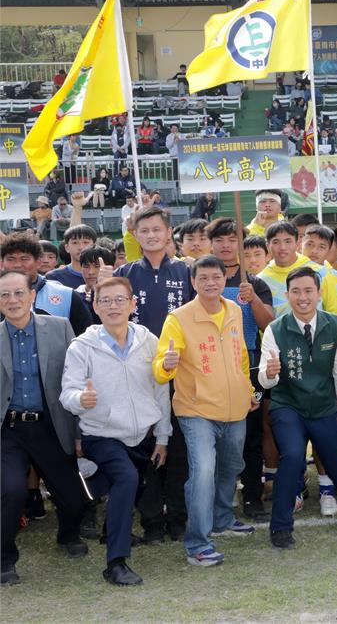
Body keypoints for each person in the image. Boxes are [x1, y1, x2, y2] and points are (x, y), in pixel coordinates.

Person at [59, 276, 171, 586]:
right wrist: (81, 399)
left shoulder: (149, 341)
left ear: (133, 304)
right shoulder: (82, 347)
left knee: (135, 482)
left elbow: (161, 390)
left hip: (142, 434)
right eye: (105, 300)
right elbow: (67, 392)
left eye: (120, 299)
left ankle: (111, 528)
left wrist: (162, 437)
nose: (113, 306)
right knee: (126, 477)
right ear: (94, 306)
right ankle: (116, 562)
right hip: (101, 433)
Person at [153, 256, 260, 567]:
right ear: (193, 282)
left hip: (236, 408)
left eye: (216, 277)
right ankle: (198, 544)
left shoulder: (235, 310)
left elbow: (240, 357)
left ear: (224, 278)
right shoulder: (178, 318)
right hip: (196, 410)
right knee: (202, 474)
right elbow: (160, 371)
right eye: (204, 278)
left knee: (231, 467)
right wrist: (167, 365)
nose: (211, 283)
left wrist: (248, 390)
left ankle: (223, 518)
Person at [258, 268, 337, 549]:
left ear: (319, 294)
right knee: (292, 456)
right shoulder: (276, 329)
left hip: (323, 407)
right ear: (287, 295)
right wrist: (270, 373)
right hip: (287, 406)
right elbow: (264, 377)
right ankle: (280, 527)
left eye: (309, 291)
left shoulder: (334, 326)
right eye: (296, 291)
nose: (302, 297)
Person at [112, 206, 195, 543]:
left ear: (168, 231)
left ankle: (177, 517)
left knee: (177, 447)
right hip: (137, 374)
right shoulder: (124, 273)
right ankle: (151, 522)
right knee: (144, 446)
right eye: (143, 230)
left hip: (180, 373)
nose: (150, 235)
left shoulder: (186, 272)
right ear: (134, 234)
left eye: (156, 229)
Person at [1, 271, 87, 587]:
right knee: (10, 491)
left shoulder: (59, 328)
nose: (12, 300)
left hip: (51, 424)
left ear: (32, 295)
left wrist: (78, 432)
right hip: (8, 430)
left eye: (18, 293)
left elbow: (73, 379)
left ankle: (68, 535)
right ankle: (5, 560)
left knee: (73, 498)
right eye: (5, 295)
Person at [207, 219, 275, 522]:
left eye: (231, 239)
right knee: (214, 434)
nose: (225, 245)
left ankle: (251, 495)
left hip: (248, 363)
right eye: (219, 240)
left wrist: (254, 298)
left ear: (241, 244)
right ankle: (218, 494)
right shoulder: (202, 277)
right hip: (210, 365)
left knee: (251, 433)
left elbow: (268, 324)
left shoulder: (254, 282)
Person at [1, 232, 93, 336]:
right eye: (11, 259)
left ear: (38, 262)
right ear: (2, 263)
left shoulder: (67, 295)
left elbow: (86, 339)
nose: (17, 265)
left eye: (24, 259)